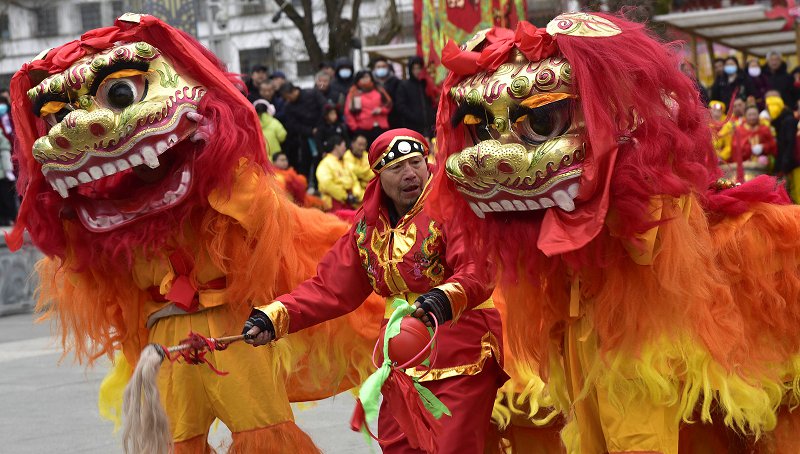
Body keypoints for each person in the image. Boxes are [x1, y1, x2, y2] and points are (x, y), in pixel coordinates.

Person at [244, 128, 506, 454]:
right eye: (397, 168)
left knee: (453, 446)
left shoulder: (451, 208)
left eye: (416, 163)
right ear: (379, 176)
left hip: (461, 347)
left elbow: (479, 268)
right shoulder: (368, 227)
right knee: (398, 445)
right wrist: (273, 317)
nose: (410, 174)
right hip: (401, 356)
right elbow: (330, 289)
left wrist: (444, 297)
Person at [280, 82, 326, 184]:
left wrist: (319, 127)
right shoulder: (289, 107)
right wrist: (309, 131)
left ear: (293, 91)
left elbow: (324, 107)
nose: (288, 100)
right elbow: (293, 125)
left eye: (288, 96)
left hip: (322, 131)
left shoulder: (312, 94)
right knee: (305, 163)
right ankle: (304, 186)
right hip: (305, 137)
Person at [315, 134, 362, 210]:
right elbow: (326, 184)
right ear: (336, 146)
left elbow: (354, 180)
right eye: (343, 146)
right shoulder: (325, 163)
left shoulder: (344, 163)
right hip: (334, 203)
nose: (345, 148)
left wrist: (356, 194)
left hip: (351, 202)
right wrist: (345, 196)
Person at [344, 70, 392, 144]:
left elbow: (389, 105)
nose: (365, 79)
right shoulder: (353, 92)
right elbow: (348, 112)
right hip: (363, 129)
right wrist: (355, 128)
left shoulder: (379, 89)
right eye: (362, 78)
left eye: (367, 77)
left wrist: (381, 110)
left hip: (381, 127)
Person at [730, 105, 777, 182]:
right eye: (750, 115)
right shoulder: (739, 130)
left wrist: (763, 147)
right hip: (745, 168)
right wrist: (750, 149)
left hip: (763, 169)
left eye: (754, 114)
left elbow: (773, 145)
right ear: (745, 116)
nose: (752, 117)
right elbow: (735, 148)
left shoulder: (764, 129)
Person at [394, 56, 436, 139]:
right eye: (414, 69)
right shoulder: (404, 85)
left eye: (419, 68)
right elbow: (400, 106)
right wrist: (414, 116)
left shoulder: (427, 84)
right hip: (412, 127)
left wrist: (432, 116)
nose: (417, 71)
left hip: (430, 126)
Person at [371, 57, 402, 128]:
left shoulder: (396, 82)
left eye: (383, 66)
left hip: (394, 119)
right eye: (378, 67)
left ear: (388, 68)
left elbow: (399, 101)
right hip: (377, 121)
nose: (381, 69)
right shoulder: (371, 84)